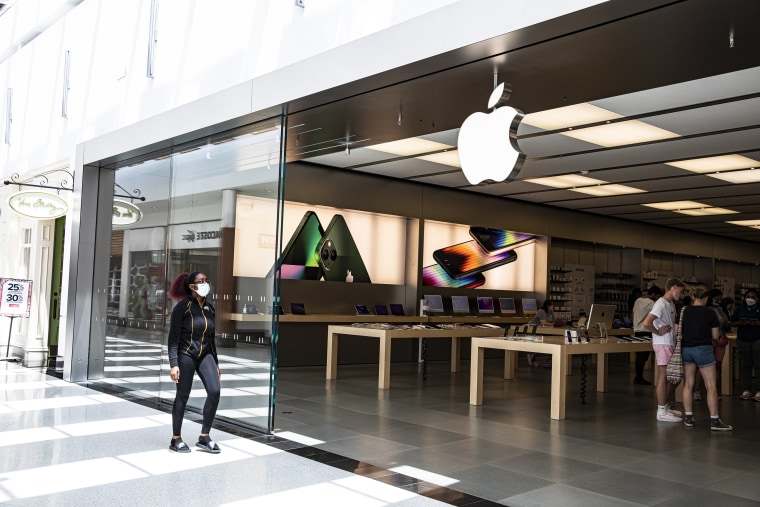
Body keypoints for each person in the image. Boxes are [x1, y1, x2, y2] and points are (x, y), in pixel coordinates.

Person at [167, 272, 222, 453]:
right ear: (192, 286)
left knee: (215, 391)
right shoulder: (182, 307)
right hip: (186, 354)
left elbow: (212, 339)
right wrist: (174, 363)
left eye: (207, 281)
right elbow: (173, 338)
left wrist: (216, 363)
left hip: (205, 355)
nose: (206, 284)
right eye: (201, 281)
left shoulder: (210, 308)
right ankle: (176, 439)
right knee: (183, 395)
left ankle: (204, 437)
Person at [680, 285, 732, 430]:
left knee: (688, 384)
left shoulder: (683, 311)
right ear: (706, 298)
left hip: (686, 349)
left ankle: (689, 418)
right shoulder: (710, 313)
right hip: (703, 348)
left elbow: (678, 331)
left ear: (692, 296)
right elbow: (715, 336)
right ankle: (715, 421)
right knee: (711, 385)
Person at [642, 278, 685, 422]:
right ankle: (661, 410)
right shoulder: (660, 304)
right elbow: (647, 322)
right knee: (663, 376)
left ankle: (664, 406)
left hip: (669, 342)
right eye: (681, 290)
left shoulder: (670, 304)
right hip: (663, 343)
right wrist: (658, 332)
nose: (682, 293)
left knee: (673, 376)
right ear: (674, 287)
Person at [731, 290, 760, 401]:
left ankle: (759, 390)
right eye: (748, 296)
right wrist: (740, 323)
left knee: (758, 365)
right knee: (745, 365)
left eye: (753, 297)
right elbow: (732, 321)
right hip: (743, 339)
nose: (750, 298)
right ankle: (746, 389)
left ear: (757, 299)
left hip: (757, 339)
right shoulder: (740, 309)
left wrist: (757, 323)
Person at [631, 285, 662, 385]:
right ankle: (639, 378)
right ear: (653, 294)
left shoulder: (638, 300)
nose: (658, 299)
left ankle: (638, 376)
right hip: (646, 331)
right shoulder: (652, 303)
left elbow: (633, 314)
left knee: (639, 356)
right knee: (643, 356)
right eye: (657, 296)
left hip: (637, 330)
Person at [527, 301, 555, 366]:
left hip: (542, 329)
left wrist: (552, 314)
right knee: (540, 342)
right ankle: (531, 356)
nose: (553, 307)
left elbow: (553, 320)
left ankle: (535, 358)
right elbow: (543, 322)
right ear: (548, 306)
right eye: (552, 306)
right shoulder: (541, 311)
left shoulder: (550, 312)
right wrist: (551, 324)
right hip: (534, 329)